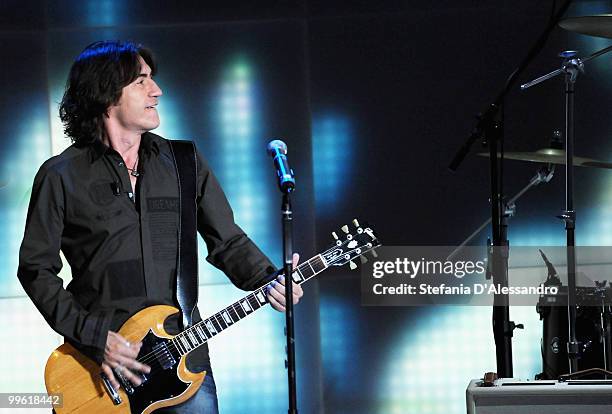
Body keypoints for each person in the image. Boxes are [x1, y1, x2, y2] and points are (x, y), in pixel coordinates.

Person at [17, 40, 303, 413]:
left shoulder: (183, 161)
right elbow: (35, 269)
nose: (157, 90)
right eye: (141, 81)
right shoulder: (60, 175)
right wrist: (94, 337)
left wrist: (269, 279)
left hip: (184, 363)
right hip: (101, 372)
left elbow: (227, 240)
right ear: (106, 94)